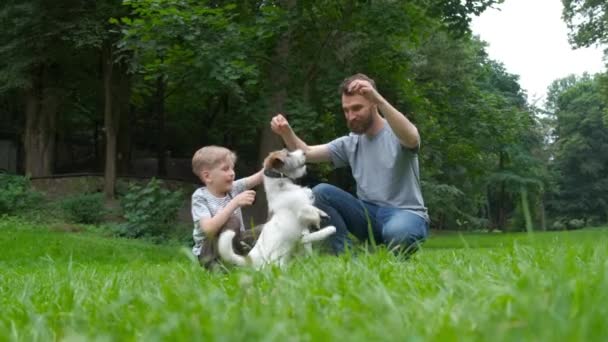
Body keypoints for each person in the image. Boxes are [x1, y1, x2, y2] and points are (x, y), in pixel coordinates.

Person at [270, 73, 429, 255]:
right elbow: (307, 154)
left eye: (357, 108)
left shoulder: (396, 133)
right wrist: (286, 132)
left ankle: (396, 247)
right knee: (321, 192)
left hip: (405, 213)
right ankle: (346, 255)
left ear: (374, 104)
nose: (351, 116)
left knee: (398, 233)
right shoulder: (351, 143)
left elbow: (412, 137)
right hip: (367, 214)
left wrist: (379, 98)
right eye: (346, 110)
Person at [191, 145, 263, 269]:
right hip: (209, 253)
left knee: (267, 229)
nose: (232, 173)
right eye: (225, 169)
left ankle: (246, 261)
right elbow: (209, 229)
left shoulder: (234, 188)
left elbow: (259, 177)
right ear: (208, 176)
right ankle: (226, 265)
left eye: (232, 168)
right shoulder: (200, 197)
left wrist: (275, 160)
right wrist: (234, 203)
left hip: (236, 243)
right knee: (232, 220)